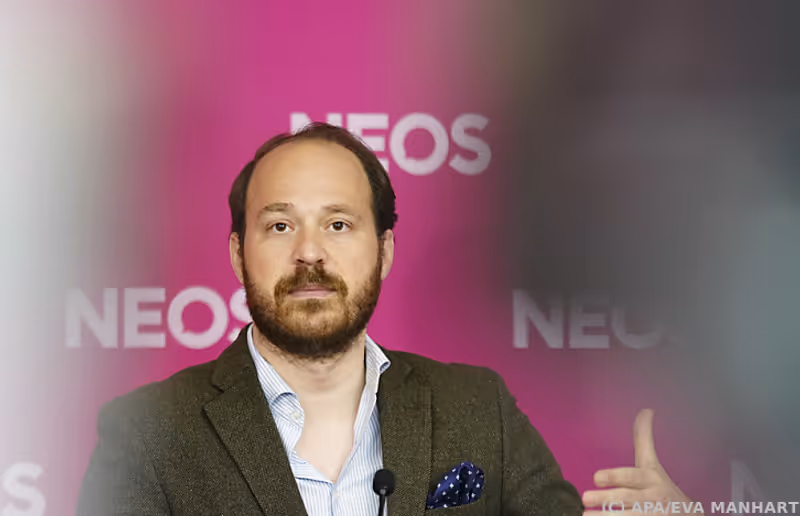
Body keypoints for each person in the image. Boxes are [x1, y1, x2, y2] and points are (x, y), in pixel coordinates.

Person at [77, 123, 700, 515]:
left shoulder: (476, 409)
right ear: (239, 254)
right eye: (281, 225)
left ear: (385, 251)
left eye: (338, 224)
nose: (310, 252)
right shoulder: (147, 435)